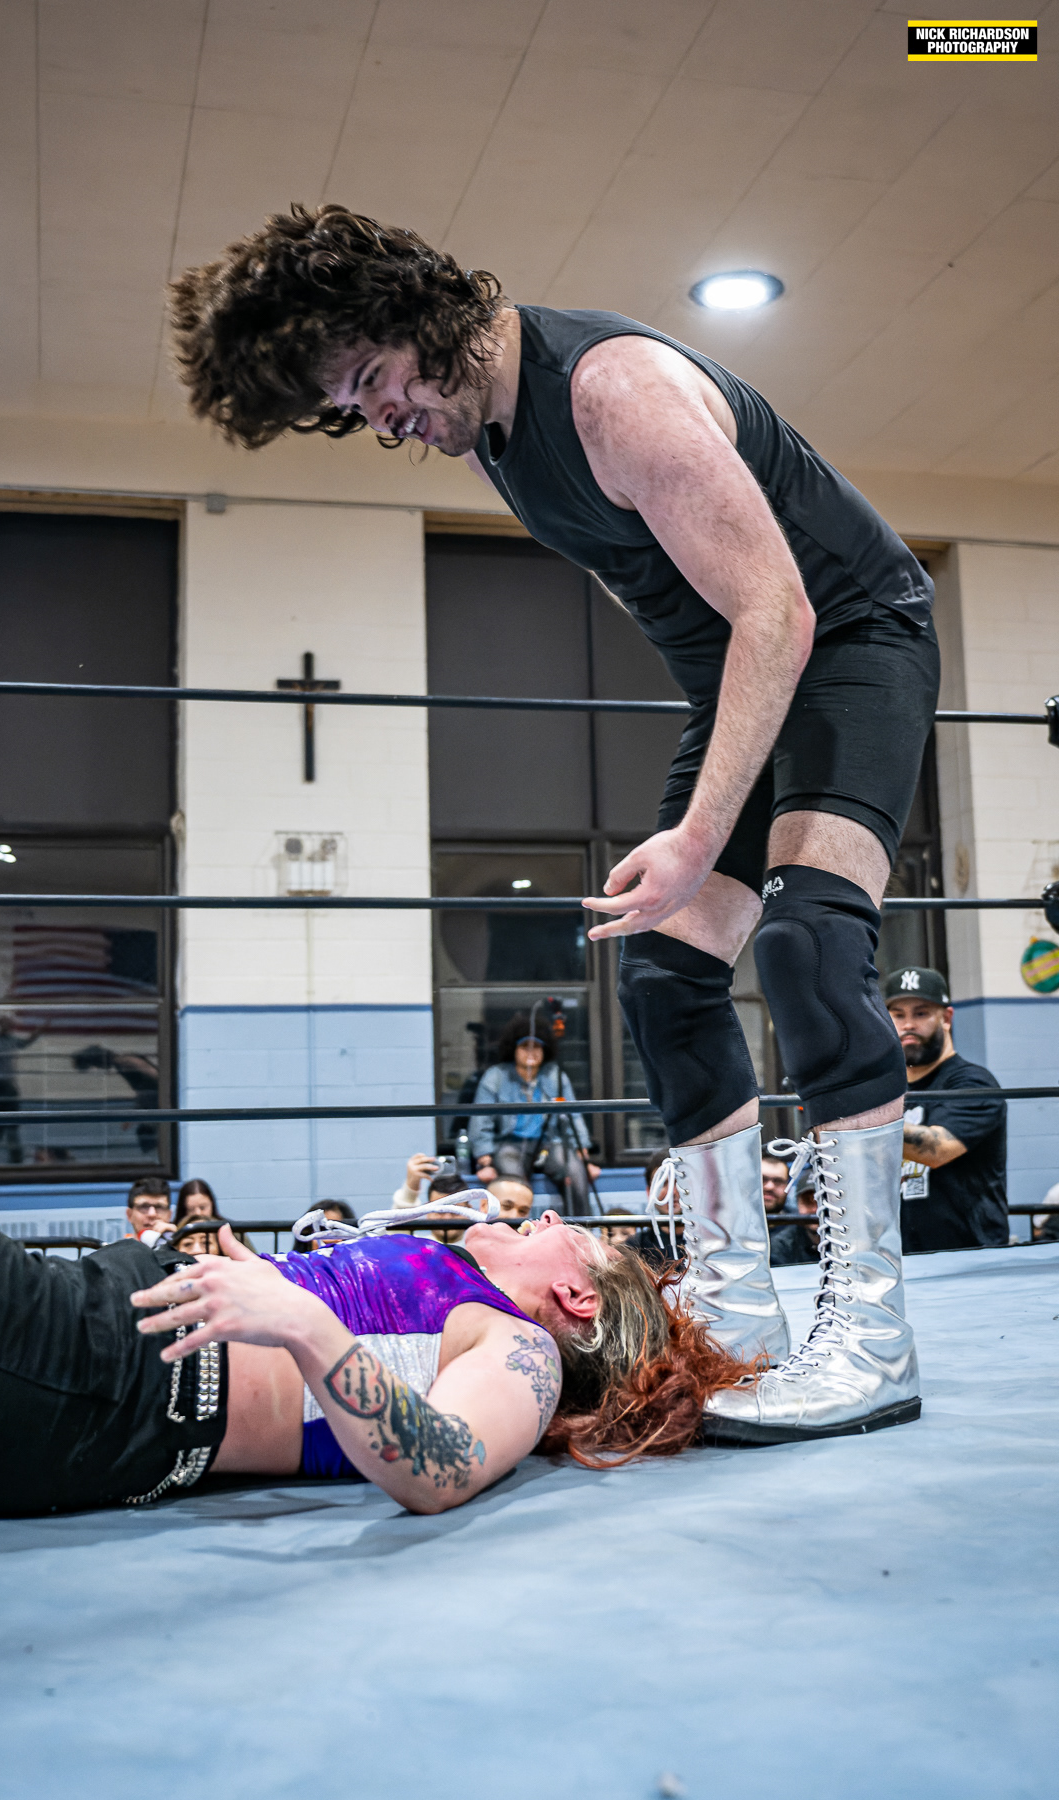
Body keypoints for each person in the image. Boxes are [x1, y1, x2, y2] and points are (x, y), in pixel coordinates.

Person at [169, 204, 940, 1443]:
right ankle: (736, 1323)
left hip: (849, 643)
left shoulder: (614, 393)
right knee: (666, 977)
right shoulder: (495, 439)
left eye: (374, 379)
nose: (381, 419)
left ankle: (874, 1340)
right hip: (745, 675)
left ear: (419, 315)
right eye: (350, 407)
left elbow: (781, 612)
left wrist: (701, 836)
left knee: (806, 946)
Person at [0, 1129, 751, 1518]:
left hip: (77, 1376)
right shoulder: (461, 1285)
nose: (549, 1216)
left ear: (577, 1299)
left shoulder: (523, 1350)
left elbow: (442, 1470)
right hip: (68, 1350)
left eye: (574, 1236)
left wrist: (304, 1322)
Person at [884, 966, 1008, 1252]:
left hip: (969, 1255)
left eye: (921, 1013)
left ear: (947, 1018)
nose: (908, 1025)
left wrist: (856, 1121)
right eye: (898, 1015)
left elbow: (937, 1149)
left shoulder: (974, 1083)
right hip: (902, 1256)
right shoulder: (886, 1091)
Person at [468, 1013, 600, 1215]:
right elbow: (480, 1120)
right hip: (510, 1144)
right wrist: (485, 1159)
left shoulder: (555, 1076)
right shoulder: (496, 1076)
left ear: (545, 1050)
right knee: (513, 1184)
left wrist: (583, 1155)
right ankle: (519, 1231)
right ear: (513, 1049)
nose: (531, 1052)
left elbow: (572, 1115)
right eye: (524, 1046)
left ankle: (581, 1231)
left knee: (575, 1172)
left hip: (549, 1144)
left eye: (537, 1046)